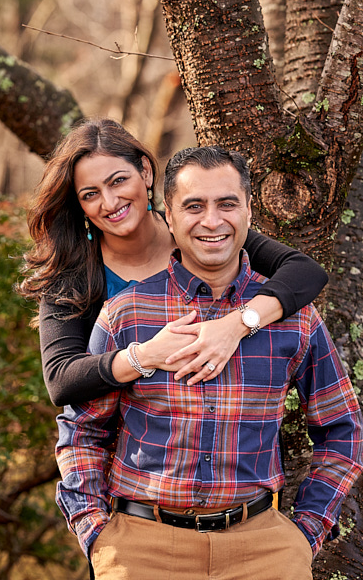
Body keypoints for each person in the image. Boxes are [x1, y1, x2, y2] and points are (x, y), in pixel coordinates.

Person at [55, 146, 363, 580]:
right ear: (169, 213)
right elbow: (82, 430)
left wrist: (306, 533)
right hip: (142, 548)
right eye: (194, 206)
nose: (212, 221)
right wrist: (95, 532)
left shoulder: (294, 320)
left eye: (227, 204)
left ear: (249, 210)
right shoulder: (127, 313)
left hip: (264, 549)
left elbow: (342, 430)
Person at [19, 118, 328, 407]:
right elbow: (61, 380)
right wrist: (147, 355)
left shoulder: (199, 234)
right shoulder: (73, 273)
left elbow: (305, 272)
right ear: (80, 205)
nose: (110, 202)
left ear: (145, 172)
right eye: (90, 194)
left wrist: (234, 326)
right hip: (130, 441)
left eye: (118, 181)